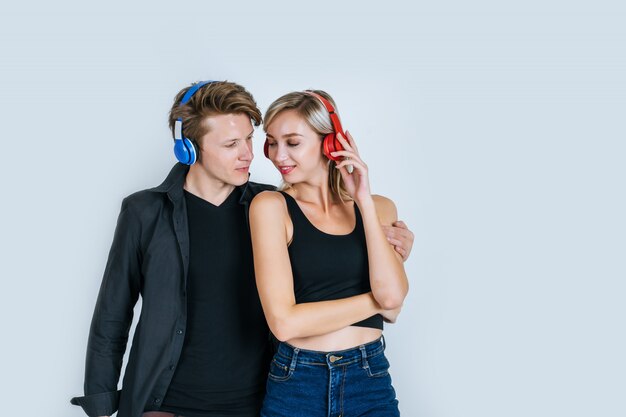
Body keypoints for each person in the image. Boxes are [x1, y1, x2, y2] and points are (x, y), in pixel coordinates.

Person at [70, 81, 415, 417]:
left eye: (250, 139)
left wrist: (390, 239)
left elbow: (327, 261)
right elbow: (113, 313)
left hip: (255, 395)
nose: (249, 154)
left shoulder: (271, 204)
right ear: (188, 148)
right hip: (168, 399)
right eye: (231, 143)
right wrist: (102, 405)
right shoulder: (145, 211)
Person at [250, 90, 409, 416]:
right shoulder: (271, 207)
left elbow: (393, 297)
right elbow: (284, 323)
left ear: (330, 144)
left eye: (292, 142)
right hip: (297, 381)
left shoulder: (378, 207)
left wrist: (362, 199)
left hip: (370, 378)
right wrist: (377, 302)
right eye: (272, 142)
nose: (279, 155)